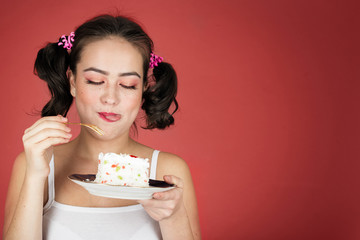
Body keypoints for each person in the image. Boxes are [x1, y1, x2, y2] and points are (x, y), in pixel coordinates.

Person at [3, 14, 200, 240]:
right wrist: (36, 175)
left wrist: (172, 217)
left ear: (143, 89)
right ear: (72, 82)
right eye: (96, 81)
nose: (111, 98)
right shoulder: (34, 164)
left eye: (128, 85)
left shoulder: (168, 171)